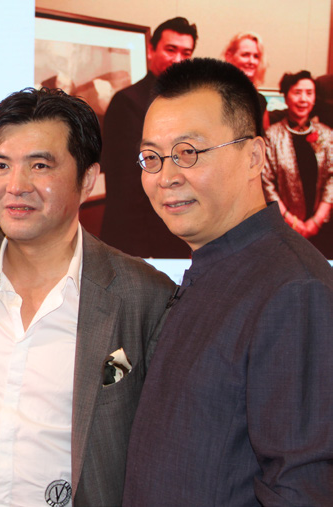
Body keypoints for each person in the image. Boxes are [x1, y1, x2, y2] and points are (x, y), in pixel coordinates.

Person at [0, 88, 175, 506]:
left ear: (87, 179)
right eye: (1, 165)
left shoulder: (144, 295)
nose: (16, 185)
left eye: (40, 165)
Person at [124, 58, 333, 505]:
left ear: (254, 156)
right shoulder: (213, 267)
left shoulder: (295, 291)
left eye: (188, 152)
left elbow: (302, 488)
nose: (167, 177)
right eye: (152, 158)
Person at [99, 17, 197, 258]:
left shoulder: (190, 105)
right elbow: (125, 187)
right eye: (170, 49)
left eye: (186, 53)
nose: (178, 59)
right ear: (151, 51)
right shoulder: (128, 102)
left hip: (178, 235)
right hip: (137, 242)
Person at [263, 70, 333, 256]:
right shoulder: (272, 135)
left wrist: (316, 221)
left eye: (309, 93)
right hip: (282, 229)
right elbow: (266, 183)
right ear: (286, 97)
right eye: (297, 92)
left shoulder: (326, 134)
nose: (303, 99)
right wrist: (291, 221)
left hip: (322, 228)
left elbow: (332, 179)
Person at [223, 31, 270, 129]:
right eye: (245, 55)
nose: (251, 61)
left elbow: (265, 136)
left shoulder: (260, 101)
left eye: (256, 56)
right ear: (229, 56)